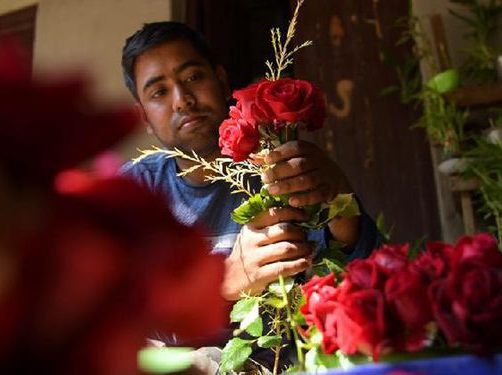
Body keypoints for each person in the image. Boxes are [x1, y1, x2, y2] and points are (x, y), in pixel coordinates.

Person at [119, 21, 381, 367]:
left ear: (222, 80)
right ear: (143, 117)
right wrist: (222, 284)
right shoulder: (133, 194)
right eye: (159, 92)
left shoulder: (277, 168)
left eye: (193, 77)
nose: (182, 100)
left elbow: (356, 287)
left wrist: (341, 203)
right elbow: (116, 321)